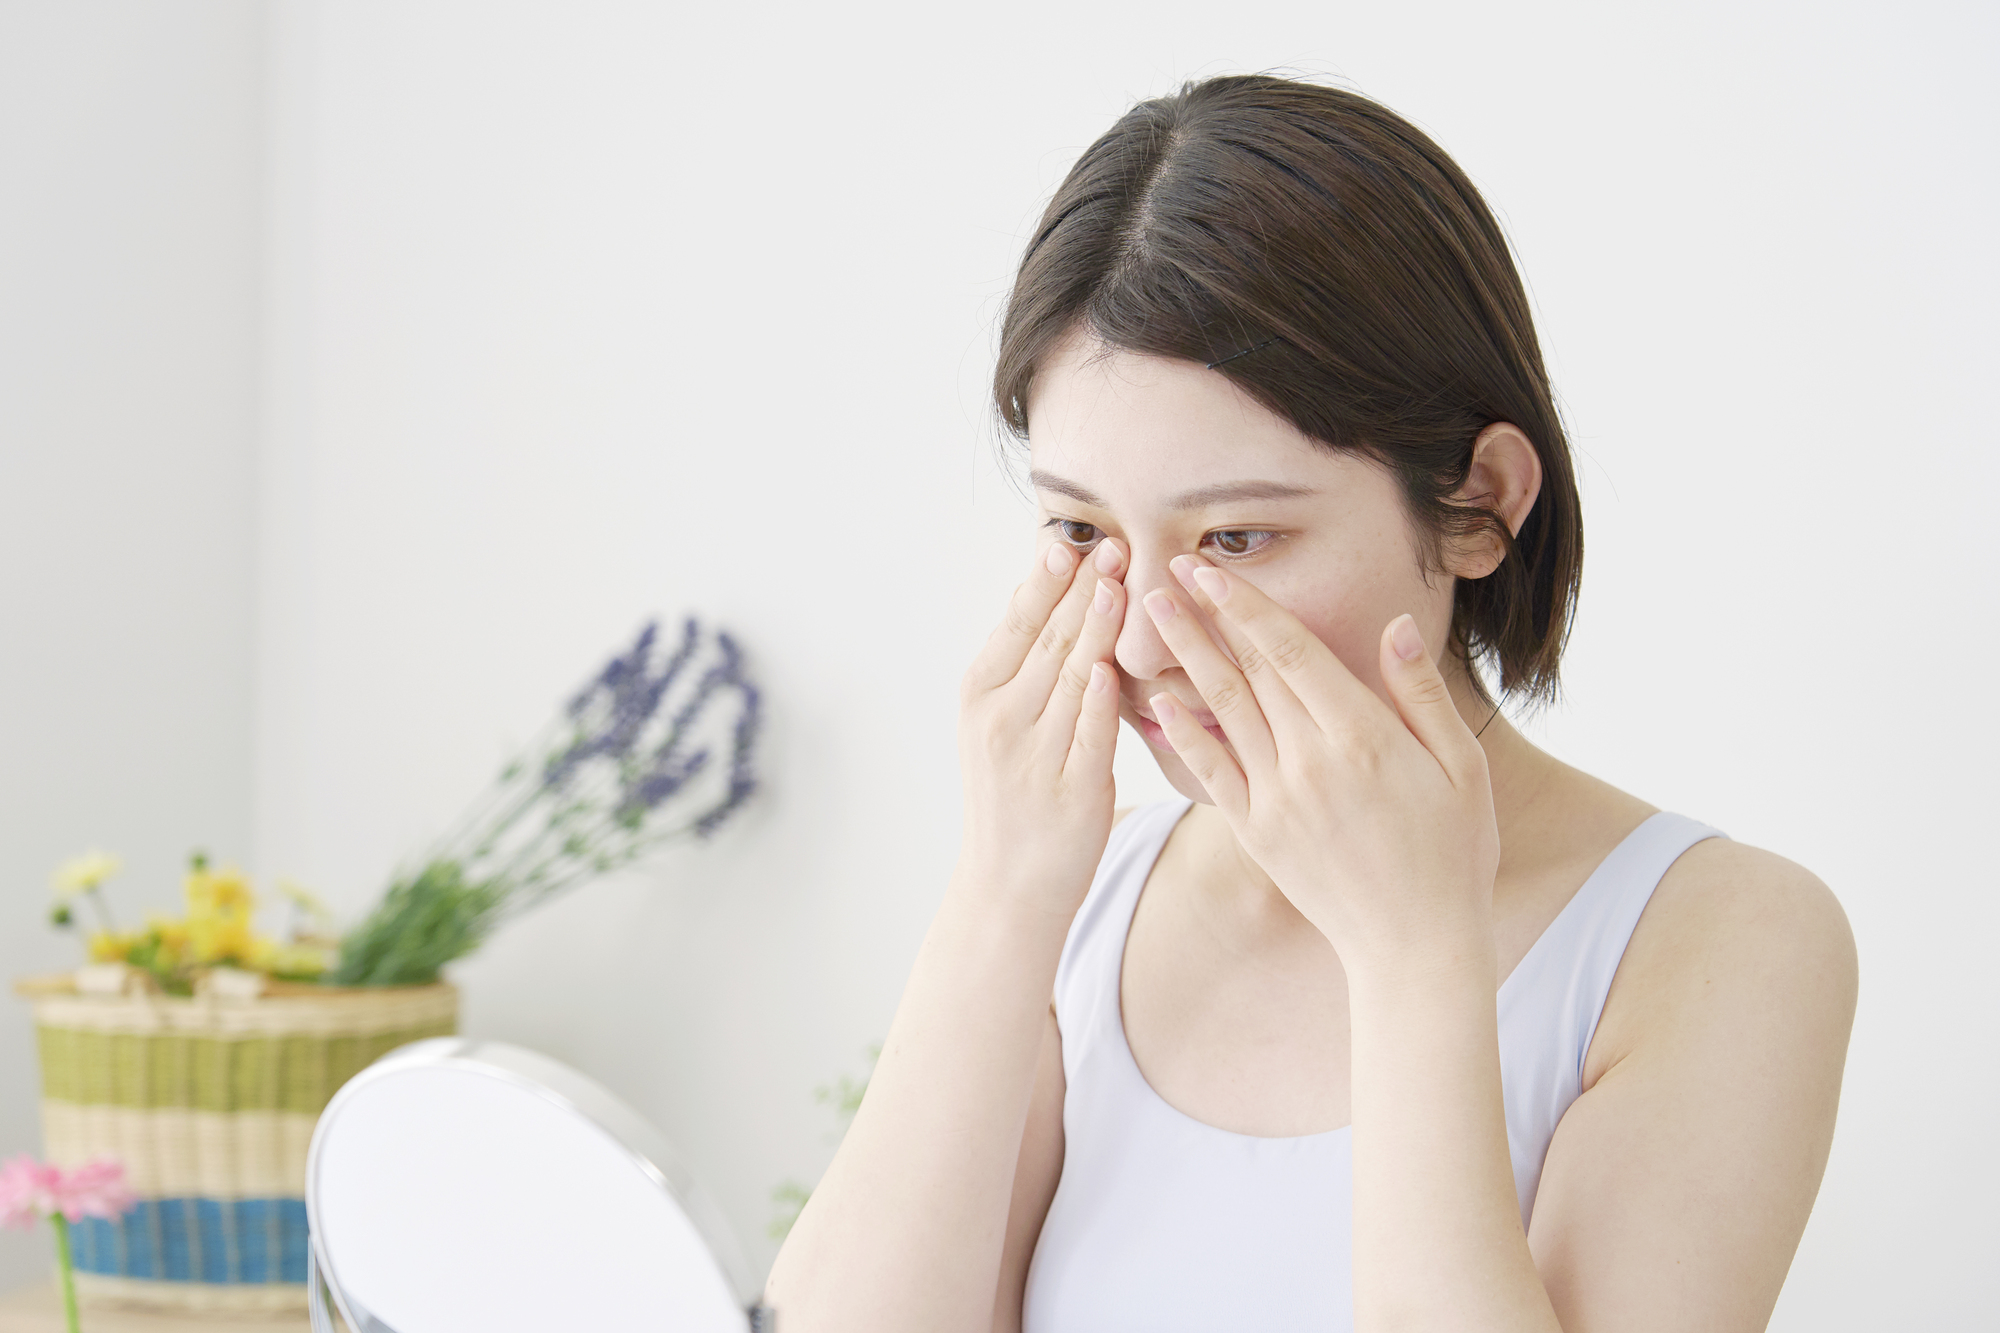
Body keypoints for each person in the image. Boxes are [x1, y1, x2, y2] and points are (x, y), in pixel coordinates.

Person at [765, 74, 1856, 1333]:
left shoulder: (1720, 938)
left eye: (1234, 538)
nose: (1141, 636)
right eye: (1080, 527)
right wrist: (1000, 893)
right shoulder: (1077, 911)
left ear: (1479, 504)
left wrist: (1410, 955)